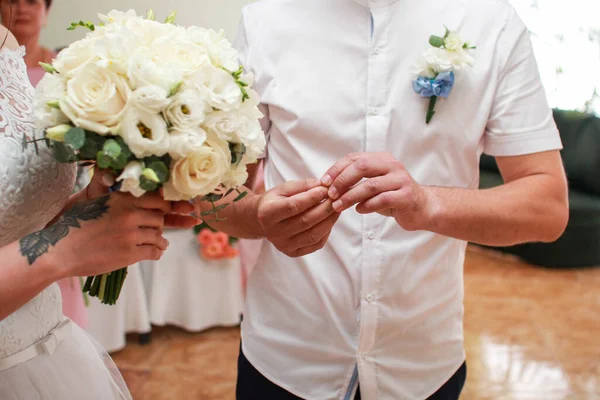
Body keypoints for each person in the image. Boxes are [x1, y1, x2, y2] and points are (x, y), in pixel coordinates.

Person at [196, 1, 569, 399]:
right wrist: (256, 216)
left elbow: (546, 207)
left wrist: (428, 205)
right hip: (283, 359)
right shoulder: (266, 18)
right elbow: (210, 192)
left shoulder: (491, 21)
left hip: (423, 364)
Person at [0, 25, 197, 399]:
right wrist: (61, 250)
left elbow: (14, 222)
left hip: (50, 360)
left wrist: (86, 211)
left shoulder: (4, 41)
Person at [0, 0, 91, 329]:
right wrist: (62, 250)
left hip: (45, 301)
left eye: (32, 0)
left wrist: (88, 205)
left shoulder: (64, 64)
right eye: (12, 0)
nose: (22, 8)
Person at [0, 0, 54, 86]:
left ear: (46, 11)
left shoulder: (66, 67)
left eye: (31, 2)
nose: (22, 9)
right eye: (12, 2)